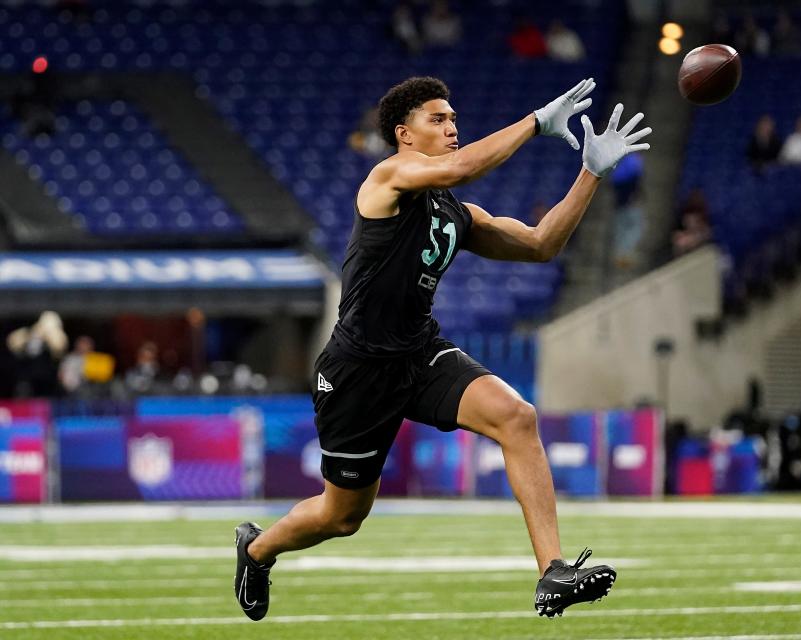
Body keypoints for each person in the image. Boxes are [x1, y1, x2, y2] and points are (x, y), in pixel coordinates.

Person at [233, 76, 651, 620]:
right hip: (358, 367)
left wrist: (591, 173)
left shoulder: (459, 213)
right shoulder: (387, 175)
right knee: (342, 516)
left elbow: (543, 244)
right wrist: (535, 122)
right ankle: (257, 549)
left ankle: (553, 570)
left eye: (454, 119)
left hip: (419, 351)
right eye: (438, 119)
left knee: (516, 416)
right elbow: (460, 167)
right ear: (404, 134)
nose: (452, 128)